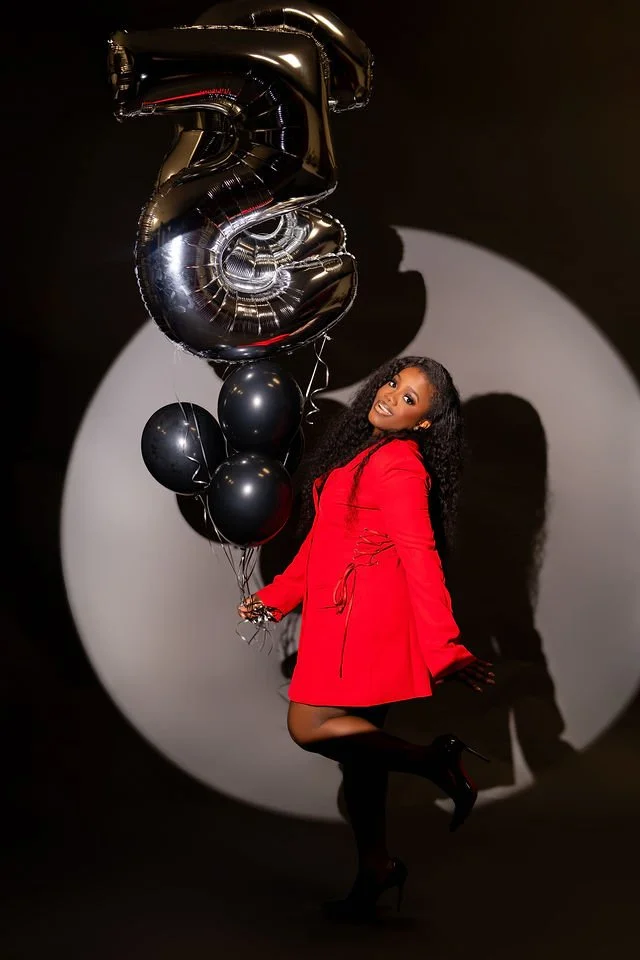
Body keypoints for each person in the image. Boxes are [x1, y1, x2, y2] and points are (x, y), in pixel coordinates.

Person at [237, 355, 495, 921]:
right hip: (344, 616)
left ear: (423, 423)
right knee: (362, 763)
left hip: (362, 625)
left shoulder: (399, 464)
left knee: (308, 726)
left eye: (409, 399)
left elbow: (420, 556)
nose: (390, 395)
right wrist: (275, 599)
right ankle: (376, 869)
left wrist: (444, 645)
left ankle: (435, 762)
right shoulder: (367, 453)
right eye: (394, 383)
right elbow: (321, 547)